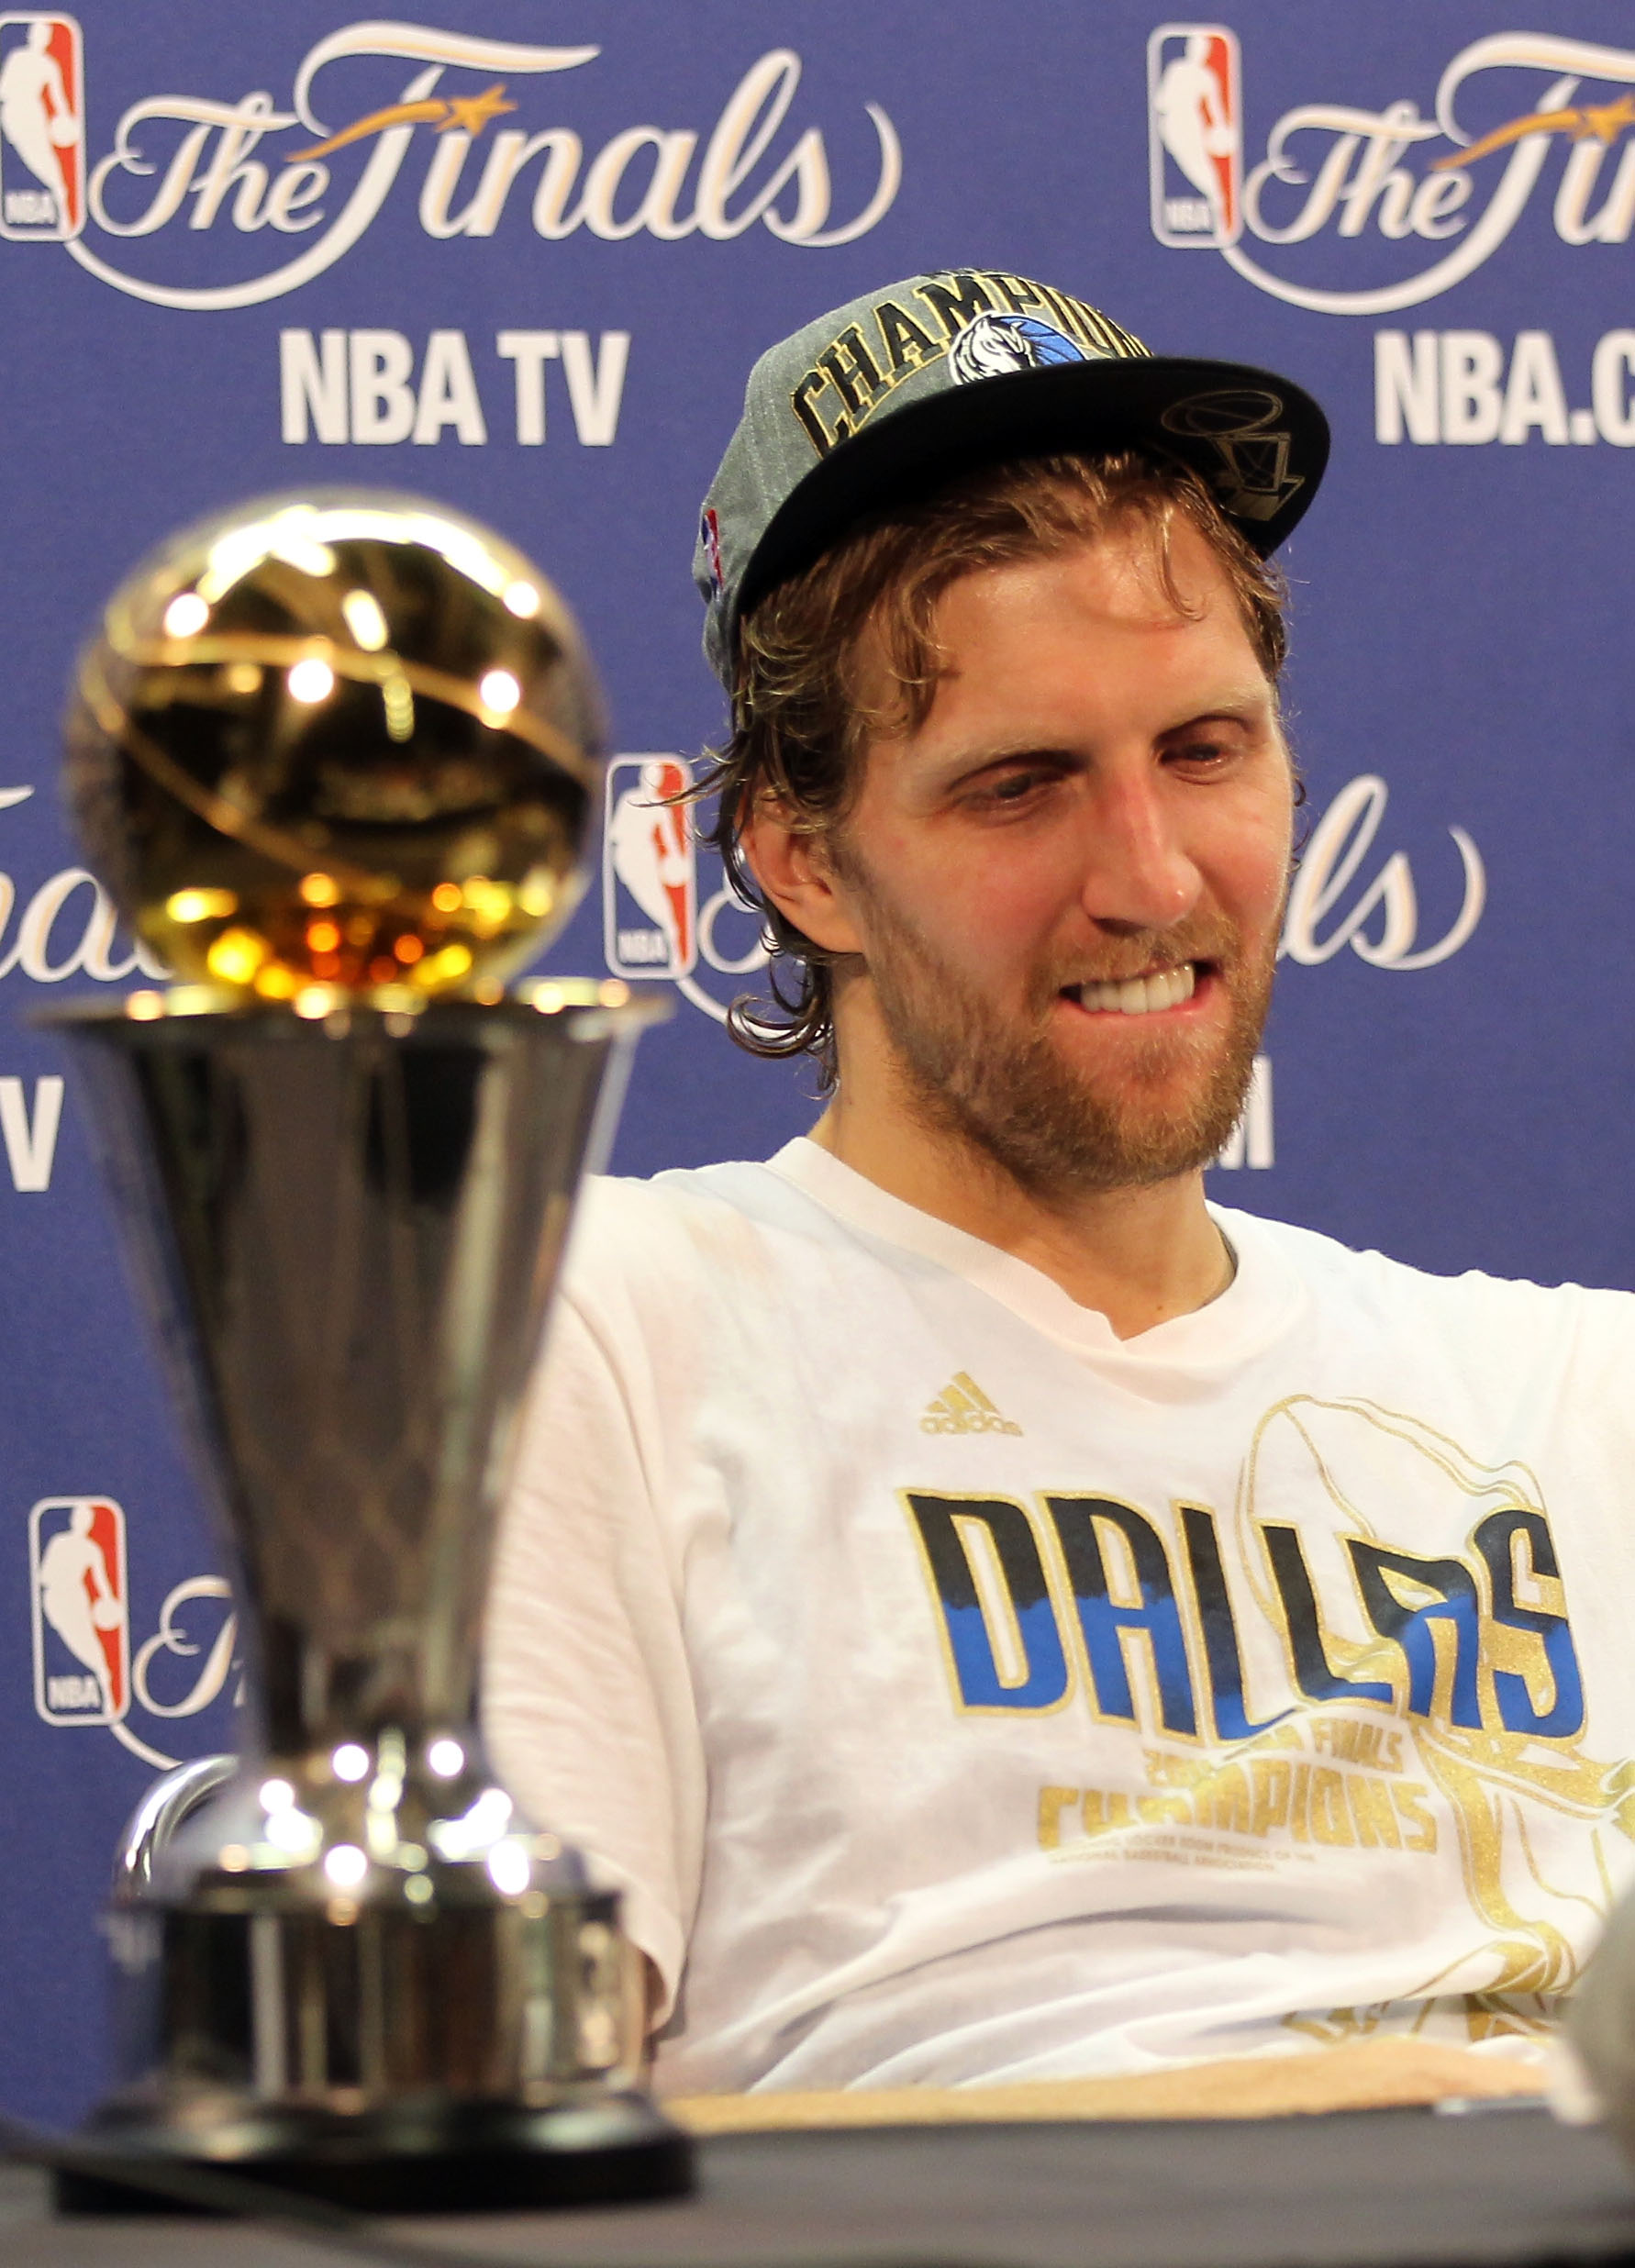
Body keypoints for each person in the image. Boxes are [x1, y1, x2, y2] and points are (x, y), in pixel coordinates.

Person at [483, 269, 1635, 2101]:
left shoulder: (1576, 1399)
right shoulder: (606, 1330)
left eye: (1204, 751)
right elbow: (501, 2149)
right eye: (1020, 785)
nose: (1152, 878)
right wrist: (1365, 2111)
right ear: (801, 859)